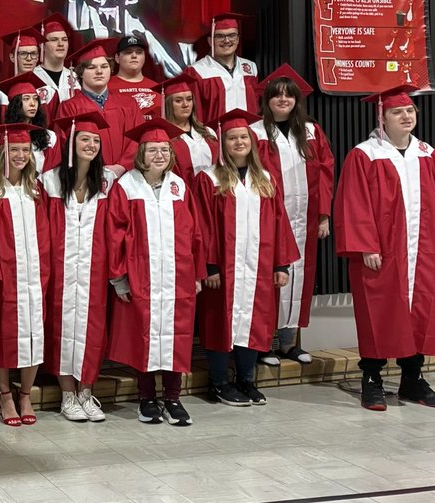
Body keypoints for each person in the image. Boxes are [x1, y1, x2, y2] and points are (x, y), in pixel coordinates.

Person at [334, 84, 435, 411]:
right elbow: (353, 204)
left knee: (421, 312)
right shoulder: (365, 155)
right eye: (397, 112)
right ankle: (372, 380)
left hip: (423, 251)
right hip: (382, 253)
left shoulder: (427, 155)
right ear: (382, 116)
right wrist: (366, 246)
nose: (405, 116)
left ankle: (412, 380)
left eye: (409, 111)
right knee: (378, 312)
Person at [195, 109, 298, 408]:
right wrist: (210, 265)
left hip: (258, 267)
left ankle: (246, 380)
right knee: (219, 324)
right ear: (222, 144)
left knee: (254, 322)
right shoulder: (209, 179)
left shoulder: (265, 179)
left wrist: (281, 264)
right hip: (222, 269)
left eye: (244, 137)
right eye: (232, 138)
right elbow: (203, 226)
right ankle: (218, 383)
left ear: (252, 142)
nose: (239, 142)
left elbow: (280, 222)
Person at [106, 119, 205, 427]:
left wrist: (198, 274)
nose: (159, 155)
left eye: (164, 149)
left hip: (177, 276)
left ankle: (173, 398)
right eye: (152, 150)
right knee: (144, 336)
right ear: (141, 154)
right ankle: (147, 398)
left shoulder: (179, 186)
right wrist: (119, 277)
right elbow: (114, 234)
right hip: (141, 276)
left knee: (175, 335)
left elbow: (195, 233)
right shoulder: (127, 186)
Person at [249, 65, 335, 366]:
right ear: (267, 101)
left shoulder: (311, 132)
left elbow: (325, 172)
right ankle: (263, 344)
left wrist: (323, 214)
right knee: (271, 278)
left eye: (289, 95)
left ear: (297, 100)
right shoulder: (255, 133)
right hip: (271, 219)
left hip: (305, 219)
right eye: (277, 96)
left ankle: (288, 343)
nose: (283, 100)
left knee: (299, 277)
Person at [41, 111, 113, 423]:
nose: (91, 144)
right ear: (71, 143)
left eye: (96, 140)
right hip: (61, 269)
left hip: (94, 270)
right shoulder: (50, 181)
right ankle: (67, 394)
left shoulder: (107, 183)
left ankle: (86, 392)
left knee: (93, 327)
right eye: (85, 139)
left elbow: (114, 228)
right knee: (61, 326)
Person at [0, 122, 50, 427]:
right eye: (14, 150)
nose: (20, 155)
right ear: (1, 152)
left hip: (35, 272)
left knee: (35, 333)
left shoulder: (36, 186)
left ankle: (25, 394)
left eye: (25, 150)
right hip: (4, 274)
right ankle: (5, 394)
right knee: (3, 334)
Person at [55, 39, 141, 174]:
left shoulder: (129, 104)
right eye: (92, 67)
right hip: (87, 179)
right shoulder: (69, 107)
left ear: (111, 69)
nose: (99, 71)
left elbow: (139, 138)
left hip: (127, 177)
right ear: (81, 72)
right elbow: (66, 145)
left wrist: (122, 167)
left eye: (104, 66)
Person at [186, 13, 259, 122]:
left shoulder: (250, 68)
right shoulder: (197, 71)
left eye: (232, 35)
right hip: (215, 136)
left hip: (248, 136)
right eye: (220, 36)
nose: (227, 40)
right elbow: (195, 114)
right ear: (210, 41)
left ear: (238, 39)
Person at [0, 72, 62, 172]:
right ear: (15, 105)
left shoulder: (50, 138)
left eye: (35, 99)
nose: (33, 104)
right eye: (26, 99)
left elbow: (52, 175)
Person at [156, 74, 217, 180]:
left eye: (189, 99)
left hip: (214, 191)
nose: (185, 105)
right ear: (168, 104)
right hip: (184, 192)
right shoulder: (164, 137)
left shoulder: (208, 132)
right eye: (178, 101)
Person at [0, 27, 59, 121]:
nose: (29, 59)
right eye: (23, 53)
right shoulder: (1, 93)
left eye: (33, 54)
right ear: (12, 57)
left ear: (38, 57)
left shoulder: (49, 93)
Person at [109, 35, 161, 120]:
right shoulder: (106, 87)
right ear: (117, 58)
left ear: (144, 58)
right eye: (128, 52)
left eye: (139, 52)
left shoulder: (157, 88)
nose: (134, 56)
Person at [33, 13, 79, 102]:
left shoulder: (75, 78)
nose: (61, 44)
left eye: (64, 40)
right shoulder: (33, 77)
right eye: (54, 40)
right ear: (42, 45)